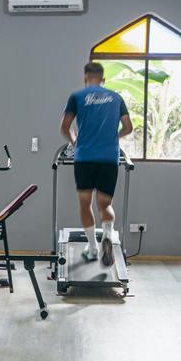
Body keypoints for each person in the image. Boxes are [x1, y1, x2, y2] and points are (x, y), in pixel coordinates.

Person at [60, 62, 133, 266]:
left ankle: (92, 248)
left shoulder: (77, 97)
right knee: (106, 205)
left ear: (85, 78)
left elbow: (65, 127)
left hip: (85, 158)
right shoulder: (116, 98)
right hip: (109, 158)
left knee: (85, 203)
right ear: (103, 79)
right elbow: (128, 127)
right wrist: (113, 137)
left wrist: (74, 141)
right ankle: (107, 236)